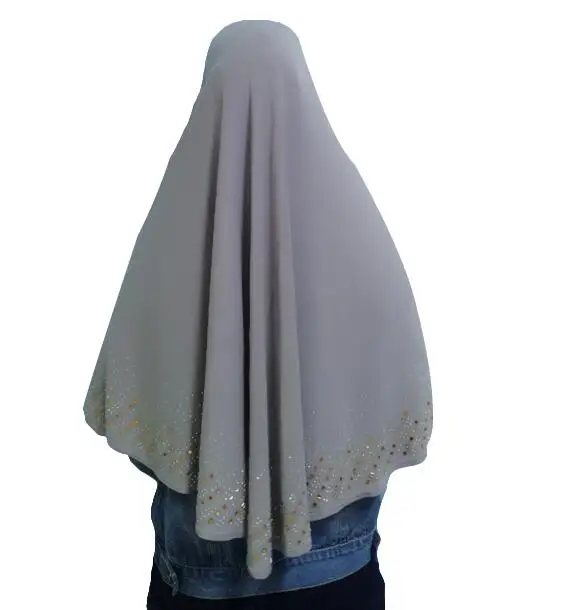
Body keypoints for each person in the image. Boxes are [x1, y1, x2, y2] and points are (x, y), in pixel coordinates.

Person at [83, 19, 433, 609]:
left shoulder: (168, 240)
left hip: (199, 580)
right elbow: (395, 398)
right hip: (338, 578)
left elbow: (140, 422)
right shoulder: (362, 241)